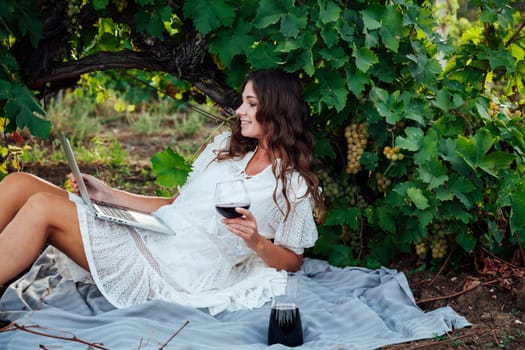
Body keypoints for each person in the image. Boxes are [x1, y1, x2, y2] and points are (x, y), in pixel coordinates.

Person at [0, 69, 320, 315]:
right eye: (242, 102)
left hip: (176, 270)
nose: (239, 110)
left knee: (42, 206)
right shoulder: (226, 147)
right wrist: (109, 194)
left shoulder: (292, 186)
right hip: (152, 233)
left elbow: (292, 260)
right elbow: (174, 204)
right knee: (20, 183)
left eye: (251, 104)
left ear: (277, 111)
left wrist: (256, 241)